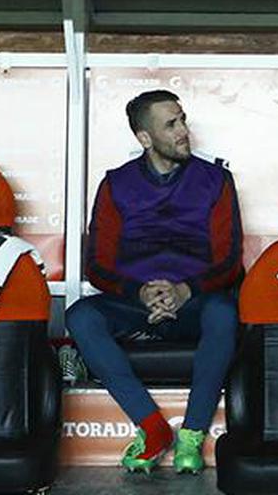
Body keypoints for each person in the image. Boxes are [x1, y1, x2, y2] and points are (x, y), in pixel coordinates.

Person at [66, 90, 242, 474]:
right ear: (144, 138)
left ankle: (193, 434)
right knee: (80, 316)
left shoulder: (216, 180)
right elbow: (97, 264)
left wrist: (185, 290)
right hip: (136, 303)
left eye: (182, 120)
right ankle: (153, 427)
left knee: (225, 311)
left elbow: (229, 262)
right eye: (171, 124)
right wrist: (140, 292)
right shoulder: (115, 184)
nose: (183, 131)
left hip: (194, 302)